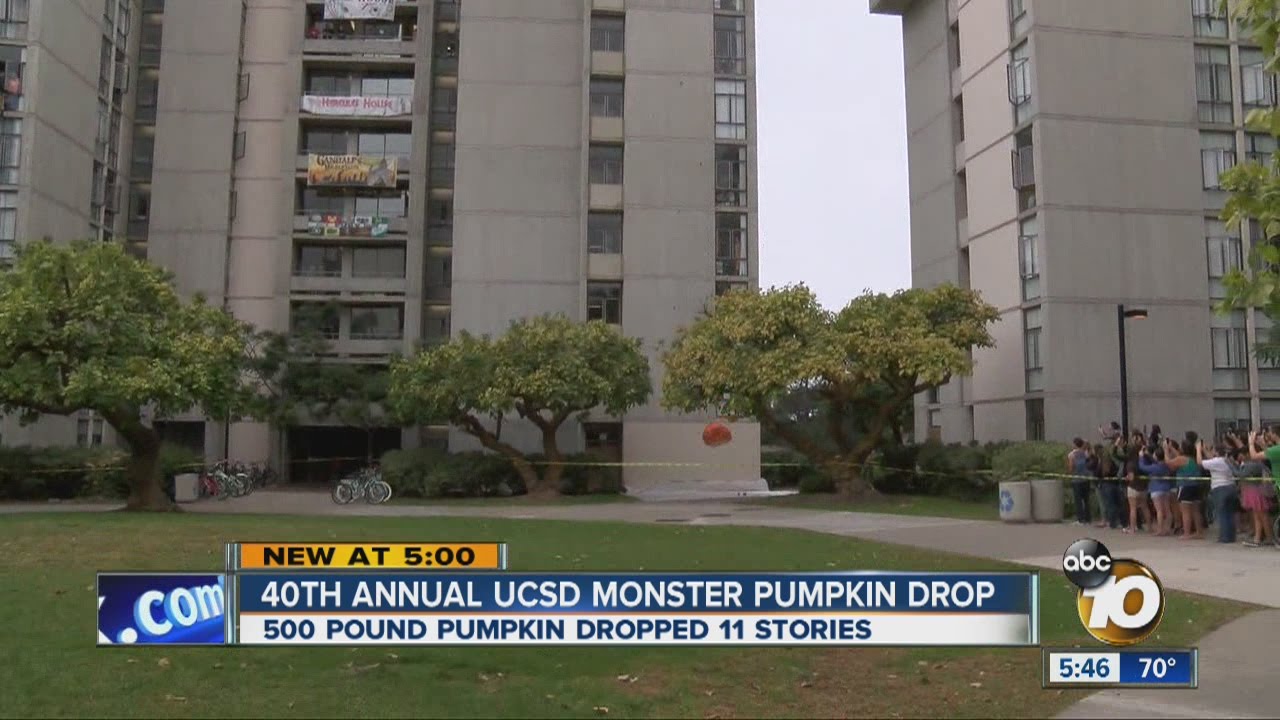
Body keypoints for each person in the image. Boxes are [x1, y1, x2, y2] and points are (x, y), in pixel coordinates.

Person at [1198, 439, 1239, 544]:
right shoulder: (1227, 460)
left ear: (1216, 452)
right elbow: (1211, 459)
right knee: (1230, 513)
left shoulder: (1216, 462)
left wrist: (1198, 450)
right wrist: (1205, 450)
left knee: (1222, 513)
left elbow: (1200, 462)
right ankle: (1231, 536)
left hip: (1220, 488)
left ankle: (1224, 537)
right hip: (1231, 486)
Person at [1242, 431, 1275, 548]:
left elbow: (1241, 474)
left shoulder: (1256, 463)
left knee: (1262, 515)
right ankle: (1257, 538)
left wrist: (1251, 443)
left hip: (1258, 491)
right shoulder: (1260, 461)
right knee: (1257, 516)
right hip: (1257, 490)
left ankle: (1269, 537)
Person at [1170, 438, 1204, 540]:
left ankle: (1187, 533)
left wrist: (1166, 450)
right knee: (1196, 511)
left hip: (1185, 486)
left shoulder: (1182, 459)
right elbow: (1178, 457)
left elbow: (1169, 462)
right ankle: (1199, 531)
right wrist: (1172, 448)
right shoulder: (1194, 459)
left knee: (1185, 511)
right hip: (1195, 485)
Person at [1140, 446, 1173, 536]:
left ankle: (1160, 529)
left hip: (1156, 489)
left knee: (1159, 510)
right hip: (1166, 488)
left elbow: (1142, 467)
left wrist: (1141, 457)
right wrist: (1148, 455)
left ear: (1157, 456)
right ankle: (1167, 528)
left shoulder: (1154, 467)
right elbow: (1155, 460)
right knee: (1167, 509)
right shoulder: (1166, 466)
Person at [1095, 442, 1124, 530]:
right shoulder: (1113, 463)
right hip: (1115, 484)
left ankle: (1112, 523)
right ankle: (1120, 522)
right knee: (1117, 504)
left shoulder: (1102, 464)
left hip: (1106, 485)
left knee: (1109, 505)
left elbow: (1097, 474)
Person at [1123, 442, 1150, 534]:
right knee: (1145, 507)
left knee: (1133, 508)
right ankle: (1149, 527)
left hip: (1133, 487)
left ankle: (1132, 528)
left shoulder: (1131, 463)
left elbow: (1131, 477)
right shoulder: (1144, 462)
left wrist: (1127, 477)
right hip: (1143, 487)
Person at [1067, 438, 1092, 526]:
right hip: (1086, 478)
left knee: (1078, 500)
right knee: (1086, 500)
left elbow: (1071, 467)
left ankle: (1080, 519)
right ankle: (1088, 519)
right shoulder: (1085, 453)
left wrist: (1070, 471)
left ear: (1075, 444)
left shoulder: (1071, 454)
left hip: (1076, 479)